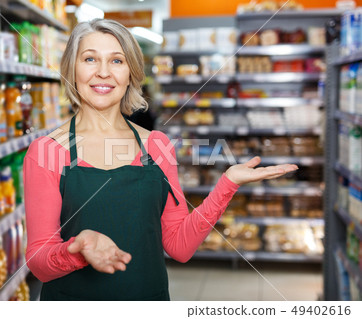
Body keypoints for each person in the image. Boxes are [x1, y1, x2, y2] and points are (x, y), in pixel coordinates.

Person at [23, 19, 298, 301]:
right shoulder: (47, 151)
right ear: (72, 69)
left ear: (131, 72)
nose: (103, 72)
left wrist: (227, 183)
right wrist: (78, 249)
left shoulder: (157, 145)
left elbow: (179, 245)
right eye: (90, 58)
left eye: (116, 61)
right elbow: (39, 262)